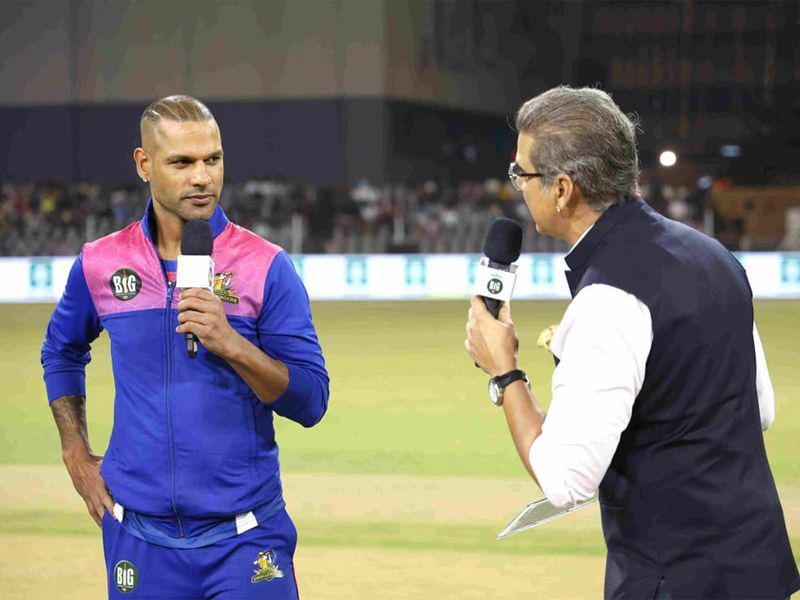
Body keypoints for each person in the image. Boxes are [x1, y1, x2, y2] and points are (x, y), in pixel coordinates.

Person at [464, 86, 799, 599]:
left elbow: (565, 480)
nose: (517, 187)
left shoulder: (608, 298)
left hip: (674, 579)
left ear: (562, 189)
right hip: (756, 568)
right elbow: (759, 410)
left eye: (521, 173)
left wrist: (504, 370)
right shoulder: (712, 255)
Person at [41, 95, 329, 599]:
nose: (202, 177)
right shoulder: (100, 263)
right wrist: (75, 451)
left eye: (212, 160)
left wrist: (232, 344)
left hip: (246, 540)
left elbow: (311, 401)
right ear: (144, 164)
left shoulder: (265, 266)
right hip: (138, 540)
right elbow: (61, 351)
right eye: (182, 163)